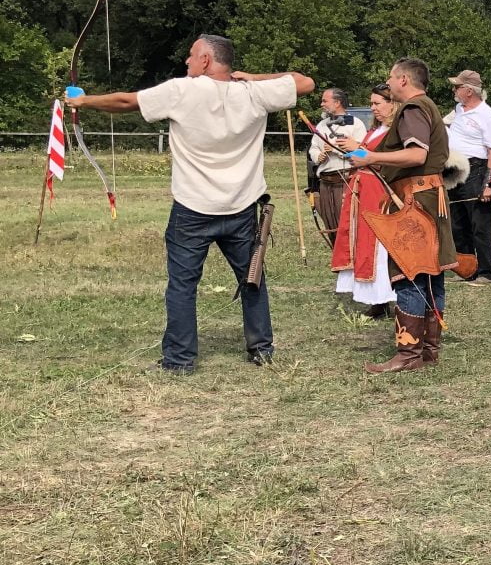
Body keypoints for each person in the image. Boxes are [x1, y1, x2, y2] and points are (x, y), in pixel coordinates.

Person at [67, 34, 313, 373]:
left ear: (206, 60)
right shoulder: (254, 93)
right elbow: (304, 82)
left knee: (183, 285)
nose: (187, 61)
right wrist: (252, 78)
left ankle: (180, 360)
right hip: (241, 206)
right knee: (252, 277)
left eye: (192, 55)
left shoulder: (182, 90)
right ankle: (261, 349)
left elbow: (126, 102)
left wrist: (83, 101)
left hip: (193, 209)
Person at [350, 57, 455, 374]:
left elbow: (417, 154)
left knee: (410, 274)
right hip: (427, 198)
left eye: (391, 78)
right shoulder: (427, 106)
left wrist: (371, 156)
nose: (389, 83)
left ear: (404, 80)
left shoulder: (412, 108)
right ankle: (427, 351)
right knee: (429, 274)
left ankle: (409, 354)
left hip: (415, 201)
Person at [330, 85, 397, 318]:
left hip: (378, 193)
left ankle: (384, 299)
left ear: (392, 104)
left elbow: (385, 162)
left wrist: (357, 149)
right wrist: (352, 151)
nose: (373, 108)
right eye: (371, 103)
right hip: (362, 190)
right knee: (361, 241)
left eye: (377, 103)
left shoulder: (395, 133)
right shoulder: (375, 130)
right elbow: (364, 159)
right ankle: (375, 300)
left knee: (377, 244)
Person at [444, 69, 491, 285]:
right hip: (455, 169)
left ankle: (488, 272)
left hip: (476, 169)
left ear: (469, 91)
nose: (454, 90)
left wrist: (488, 183)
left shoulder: (488, 116)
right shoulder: (458, 110)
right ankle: (467, 269)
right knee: (458, 223)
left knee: (479, 224)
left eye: (458, 87)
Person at [309, 87, 364, 248]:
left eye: (325, 101)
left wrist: (336, 150)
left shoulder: (356, 124)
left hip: (345, 180)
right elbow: (313, 147)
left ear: (337, 102)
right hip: (325, 182)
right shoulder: (322, 125)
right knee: (330, 223)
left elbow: (363, 153)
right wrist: (319, 155)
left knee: (346, 224)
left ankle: (351, 257)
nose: (322, 104)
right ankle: (337, 256)